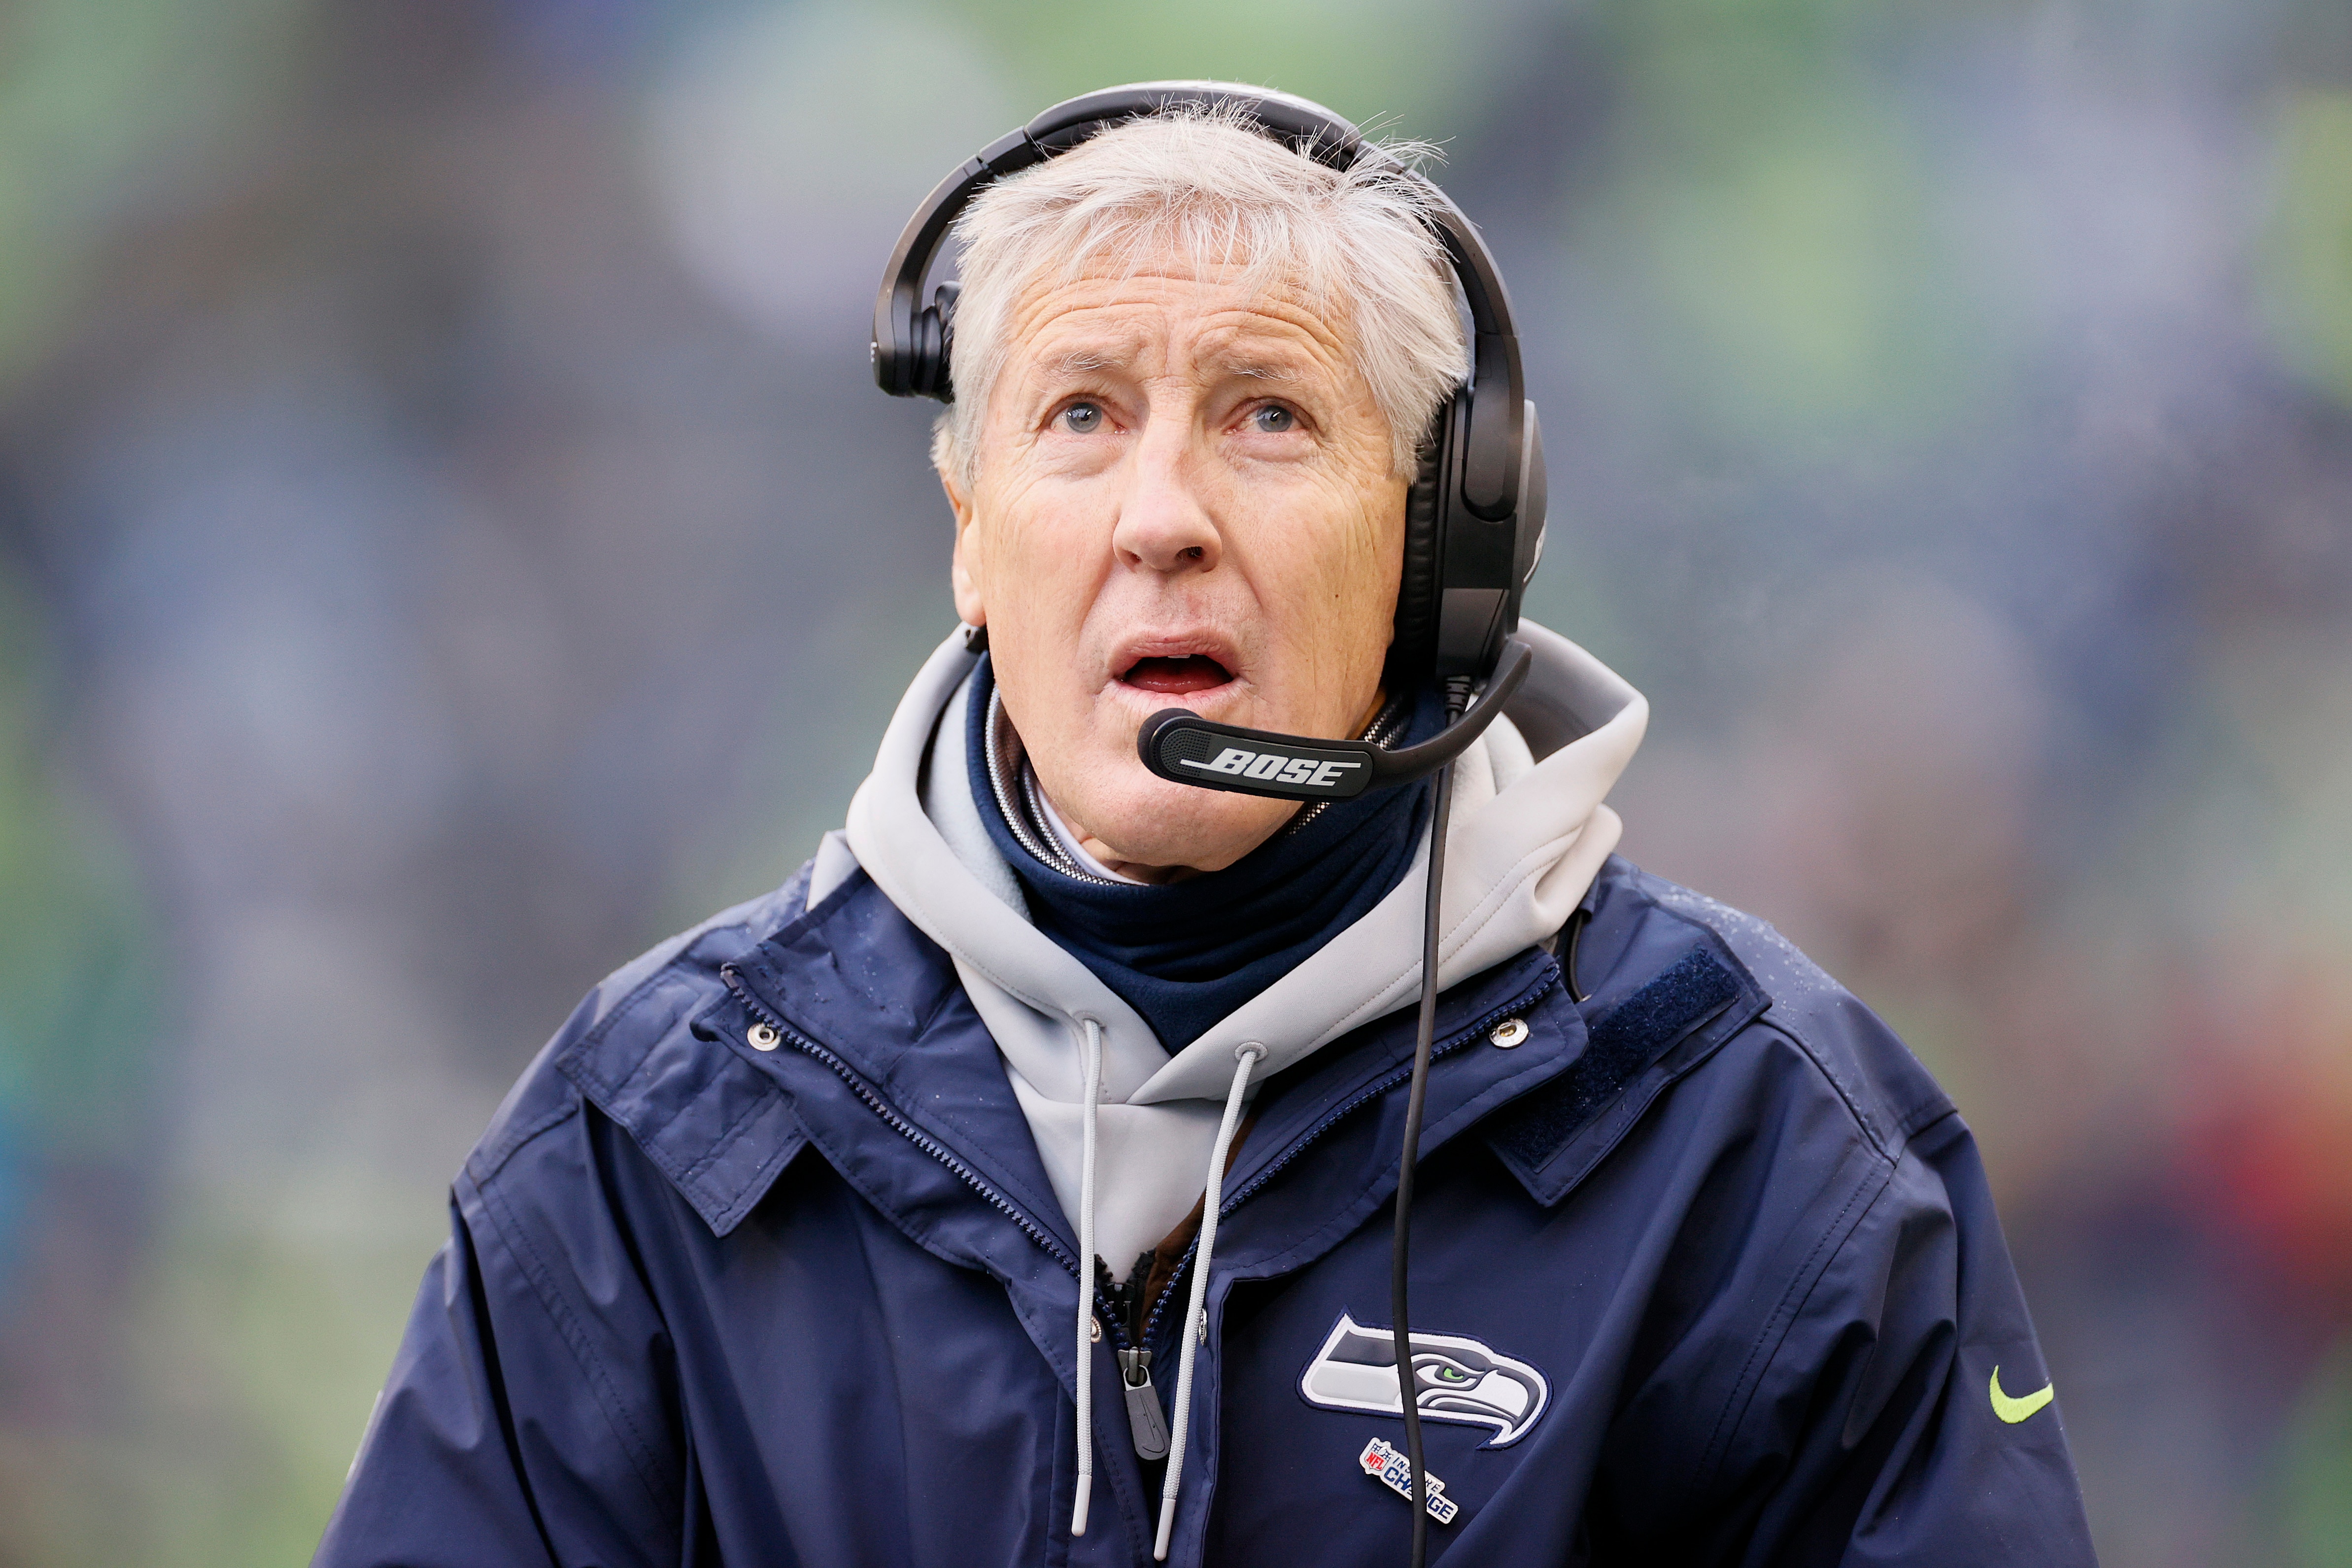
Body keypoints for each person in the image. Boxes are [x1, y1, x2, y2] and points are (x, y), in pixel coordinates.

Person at [315, 88, 2098, 1568]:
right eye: (1082, 415)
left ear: (1436, 554)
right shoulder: (649, 1136)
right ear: (970, 530)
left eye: (1267, 416)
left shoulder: (1760, 1138)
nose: (1161, 514)